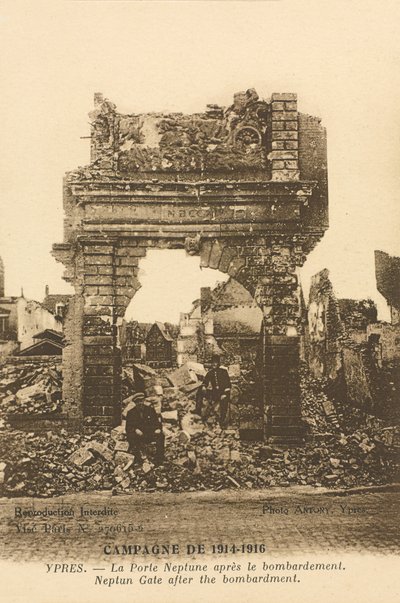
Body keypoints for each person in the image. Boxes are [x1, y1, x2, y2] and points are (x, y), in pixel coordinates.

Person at [125, 392, 164, 465]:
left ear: (144, 401)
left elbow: (157, 423)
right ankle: (138, 459)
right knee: (132, 436)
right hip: (138, 435)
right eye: (138, 402)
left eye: (141, 401)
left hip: (149, 433)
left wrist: (157, 429)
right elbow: (128, 428)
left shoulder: (150, 410)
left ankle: (159, 459)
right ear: (135, 403)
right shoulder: (131, 413)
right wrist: (135, 430)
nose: (140, 403)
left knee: (161, 436)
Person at [200, 354, 231, 428]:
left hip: (223, 393)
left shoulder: (223, 372)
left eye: (215, 362)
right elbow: (205, 381)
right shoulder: (210, 373)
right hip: (215, 393)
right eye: (212, 362)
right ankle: (199, 412)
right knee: (199, 391)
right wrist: (204, 386)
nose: (214, 364)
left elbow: (228, 384)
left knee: (224, 403)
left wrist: (224, 394)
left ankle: (222, 422)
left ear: (218, 363)